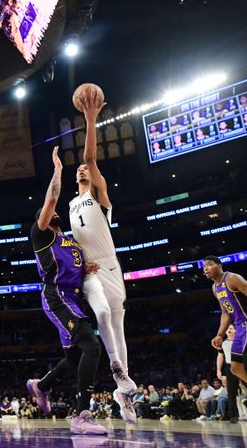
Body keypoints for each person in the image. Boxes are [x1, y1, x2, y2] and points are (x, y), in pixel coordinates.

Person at [26, 146, 107, 435]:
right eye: (49, 211)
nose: (54, 210)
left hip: (73, 296)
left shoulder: (69, 241)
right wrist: (58, 171)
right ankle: (82, 414)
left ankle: (41, 385)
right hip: (56, 295)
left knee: (74, 357)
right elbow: (51, 198)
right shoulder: (42, 235)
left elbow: (73, 264)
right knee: (92, 345)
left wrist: (86, 269)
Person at [69, 91, 138, 423]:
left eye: (86, 168)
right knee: (101, 314)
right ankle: (115, 368)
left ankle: (122, 391)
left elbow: (92, 159)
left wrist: (91, 121)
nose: (83, 169)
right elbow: (73, 246)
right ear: (74, 178)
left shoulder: (98, 195)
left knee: (118, 325)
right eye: (79, 170)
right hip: (91, 270)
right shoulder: (69, 206)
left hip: (111, 265)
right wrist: (81, 265)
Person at [206, 255, 247, 423]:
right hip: (238, 326)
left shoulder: (232, 278)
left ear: (219, 265)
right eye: (203, 267)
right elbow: (225, 312)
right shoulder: (215, 288)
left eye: (209, 265)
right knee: (235, 368)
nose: (206, 269)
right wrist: (220, 334)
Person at [217, 324, 239, 422]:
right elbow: (220, 357)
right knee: (231, 392)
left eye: (231, 328)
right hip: (229, 367)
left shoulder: (240, 341)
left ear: (236, 330)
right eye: (227, 329)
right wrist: (219, 370)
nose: (229, 330)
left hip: (241, 365)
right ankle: (234, 415)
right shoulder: (223, 343)